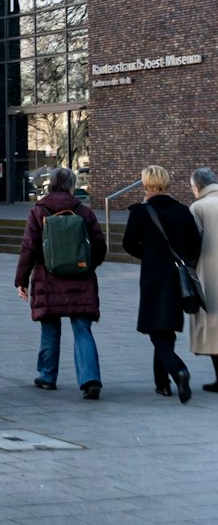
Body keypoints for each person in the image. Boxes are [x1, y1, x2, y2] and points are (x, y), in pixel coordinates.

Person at [13, 166, 107, 398]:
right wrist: (87, 265)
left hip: (48, 278)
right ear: (71, 186)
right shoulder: (84, 211)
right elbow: (100, 246)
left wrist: (21, 280)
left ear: (52, 184)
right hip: (81, 278)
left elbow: (28, 248)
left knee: (50, 328)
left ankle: (47, 376)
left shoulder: (39, 211)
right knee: (82, 329)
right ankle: (90, 379)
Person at [122, 164, 204, 403]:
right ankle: (162, 383)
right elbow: (195, 246)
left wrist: (148, 255)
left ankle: (178, 370)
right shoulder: (182, 211)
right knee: (166, 326)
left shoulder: (140, 212)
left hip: (153, 276)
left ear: (145, 184)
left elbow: (128, 244)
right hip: (178, 277)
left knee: (155, 329)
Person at [188, 167, 218, 392]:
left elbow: (192, 242)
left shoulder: (198, 207)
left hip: (209, 273)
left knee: (213, 329)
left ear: (197, 187)